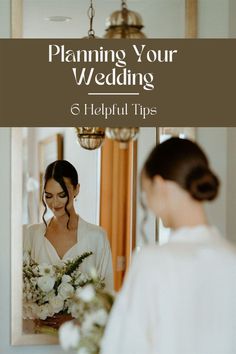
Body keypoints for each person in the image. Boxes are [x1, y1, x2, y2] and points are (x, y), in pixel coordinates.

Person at [101, 137, 236, 354]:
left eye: (145, 194)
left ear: (160, 185)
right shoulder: (232, 259)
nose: (149, 206)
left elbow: (122, 348)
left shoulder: (152, 261)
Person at [23, 160, 113, 291]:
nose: (54, 203)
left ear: (77, 189)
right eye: (48, 196)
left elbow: (106, 291)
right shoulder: (31, 235)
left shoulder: (97, 237)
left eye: (62, 195)